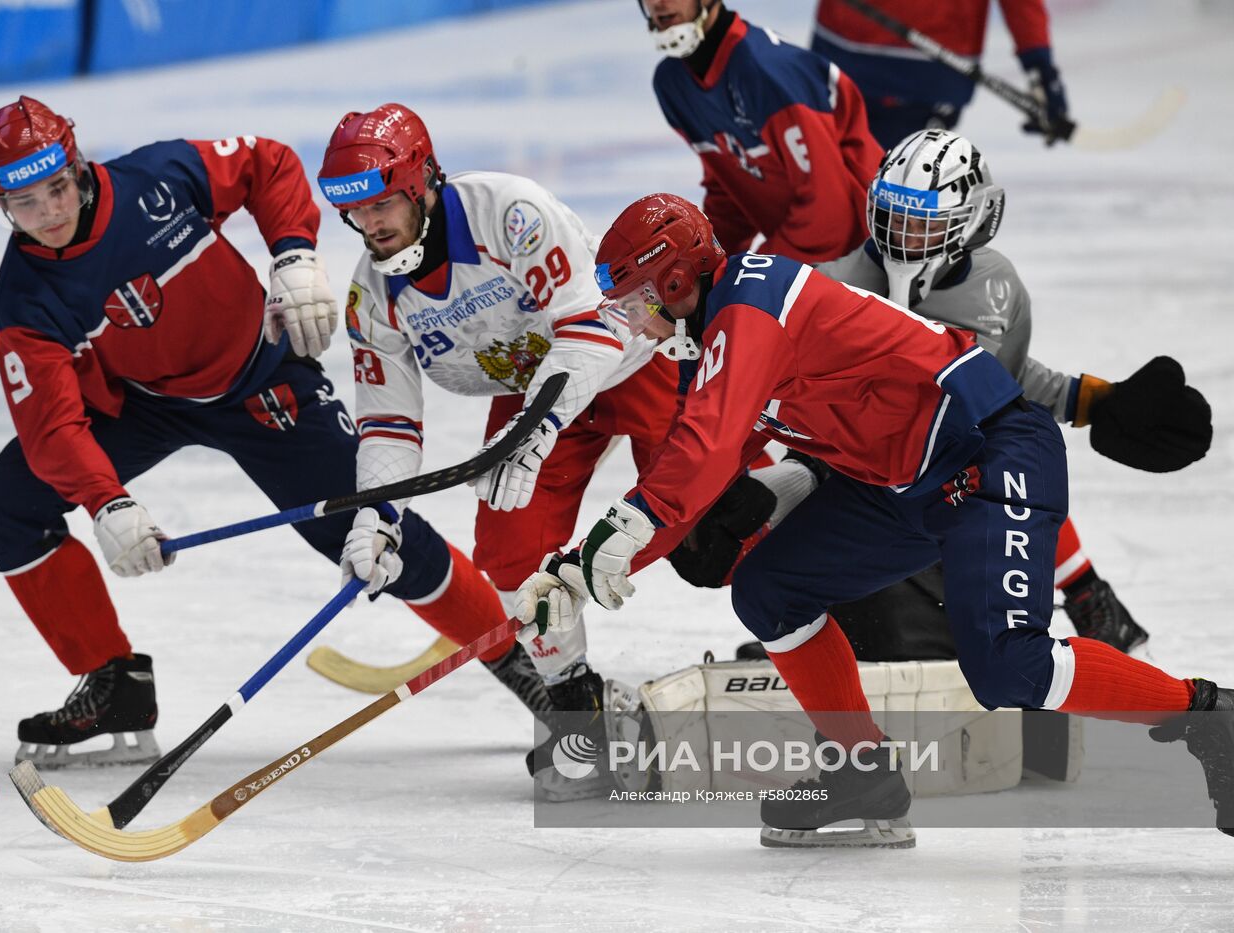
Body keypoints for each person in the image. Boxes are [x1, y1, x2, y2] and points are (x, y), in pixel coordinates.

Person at [515, 192, 1225, 847]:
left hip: (990, 451)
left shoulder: (751, 305)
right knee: (771, 589)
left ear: (673, 283)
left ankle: (1206, 714)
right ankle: (862, 770)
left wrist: (609, 545)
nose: (631, 325)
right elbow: (686, 477)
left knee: (1011, 668)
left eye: (631, 304)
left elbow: (701, 451)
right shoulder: (712, 335)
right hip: (905, 484)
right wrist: (576, 572)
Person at [0, 97, 540, 769]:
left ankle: (533, 674)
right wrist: (106, 500)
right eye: (25, 202)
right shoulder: (25, 296)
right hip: (147, 403)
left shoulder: (157, 178)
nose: (49, 213)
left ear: (79, 167)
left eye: (57, 188)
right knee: (5, 504)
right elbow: (50, 426)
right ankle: (115, 683)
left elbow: (267, 163)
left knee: (371, 530)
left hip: (262, 376)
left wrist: (293, 253)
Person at [673, 129, 1211, 653]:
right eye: (893, 218)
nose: (903, 238)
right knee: (745, 531)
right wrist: (768, 480)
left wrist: (1090, 400)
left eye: (922, 224)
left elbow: (999, 385)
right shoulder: (828, 283)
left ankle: (1083, 594)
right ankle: (800, 629)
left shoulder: (997, 286)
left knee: (995, 452)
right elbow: (795, 403)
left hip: (934, 478)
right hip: (854, 471)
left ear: (973, 220)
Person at [316, 103, 681, 793]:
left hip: (630, 356)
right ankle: (579, 709)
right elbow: (389, 420)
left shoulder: (508, 212)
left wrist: (532, 432)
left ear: (422, 182)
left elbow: (590, 326)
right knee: (510, 555)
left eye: (382, 203)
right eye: (353, 211)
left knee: (712, 530)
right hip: (534, 393)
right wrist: (376, 516)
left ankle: (834, 631)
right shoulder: (374, 298)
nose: (369, 225)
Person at [639, 0, 883, 261]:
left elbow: (829, 212)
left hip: (871, 251)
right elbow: (730, 197)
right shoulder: (674, 85)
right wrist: (706, 265)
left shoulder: (768, 71)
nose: (658, 3)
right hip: (817, 249)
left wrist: (757, 271)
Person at [811, 0, 1070, 148]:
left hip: (843, 56)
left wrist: (1040, 68)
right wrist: (1040, 68)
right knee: (894, 203)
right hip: (924, 74)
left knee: (832, 195)